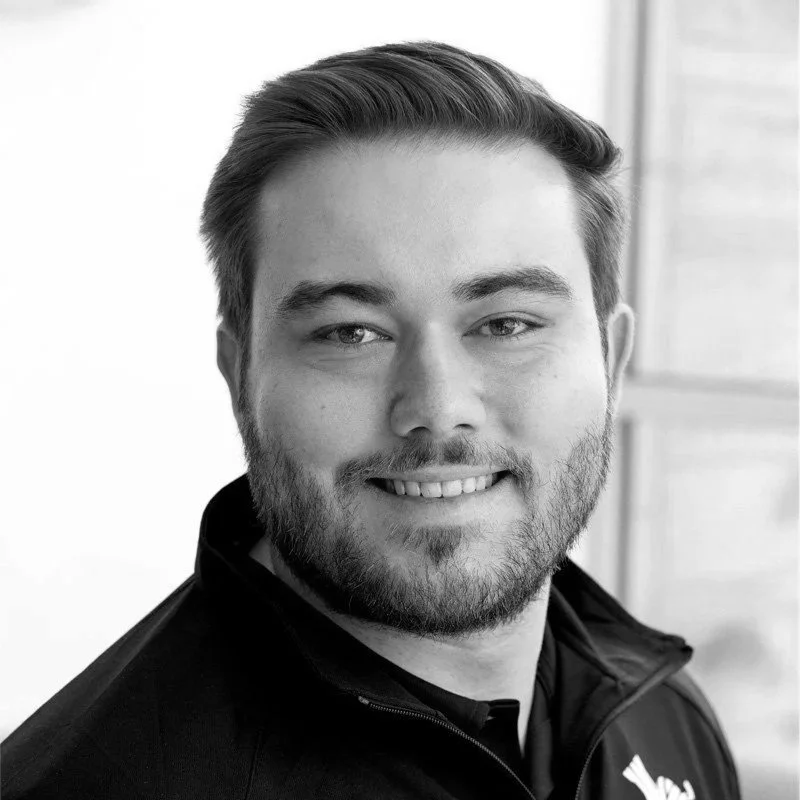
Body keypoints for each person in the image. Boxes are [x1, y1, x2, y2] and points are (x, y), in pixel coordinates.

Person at [2, 41, 741, 800]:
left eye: (508, 324)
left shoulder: (663, 720)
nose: (436, 406)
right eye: (350, 333)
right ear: (239, 373)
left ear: (612, 360)